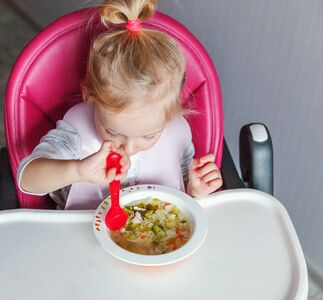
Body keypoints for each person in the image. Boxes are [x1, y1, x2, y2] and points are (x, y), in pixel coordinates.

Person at [18, 0, 222, 210]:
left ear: (172, 111)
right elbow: (27, 179)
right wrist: (78, 171)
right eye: (112, 131)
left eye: (149, 136)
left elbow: (179, 187)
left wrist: (194, 192)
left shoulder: (177, 132)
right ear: (89, 95)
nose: (130, 149)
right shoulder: (76, 132)